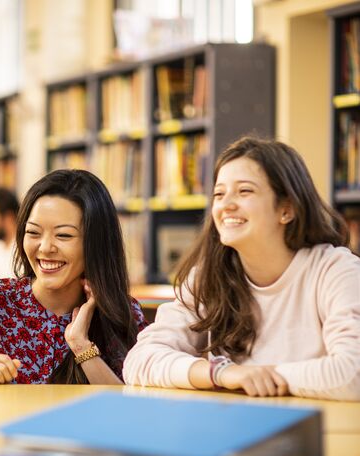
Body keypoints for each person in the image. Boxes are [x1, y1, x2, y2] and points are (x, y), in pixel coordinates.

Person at [123, 137, 360, 402]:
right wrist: (222, 374)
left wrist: (255, 375)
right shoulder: (206, 276)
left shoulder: (336, 270)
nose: (226, 205)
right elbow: (139, 361)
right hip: (234, 430)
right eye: (219, 194)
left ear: (287, 209)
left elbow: (353, 373)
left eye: (244, 191)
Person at [0, 169, 147, 384]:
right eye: (33, 232)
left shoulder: (123, 314)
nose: (45, 248)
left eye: (63, 235)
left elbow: (131, 409)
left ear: (96, 243)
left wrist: (82, 346)